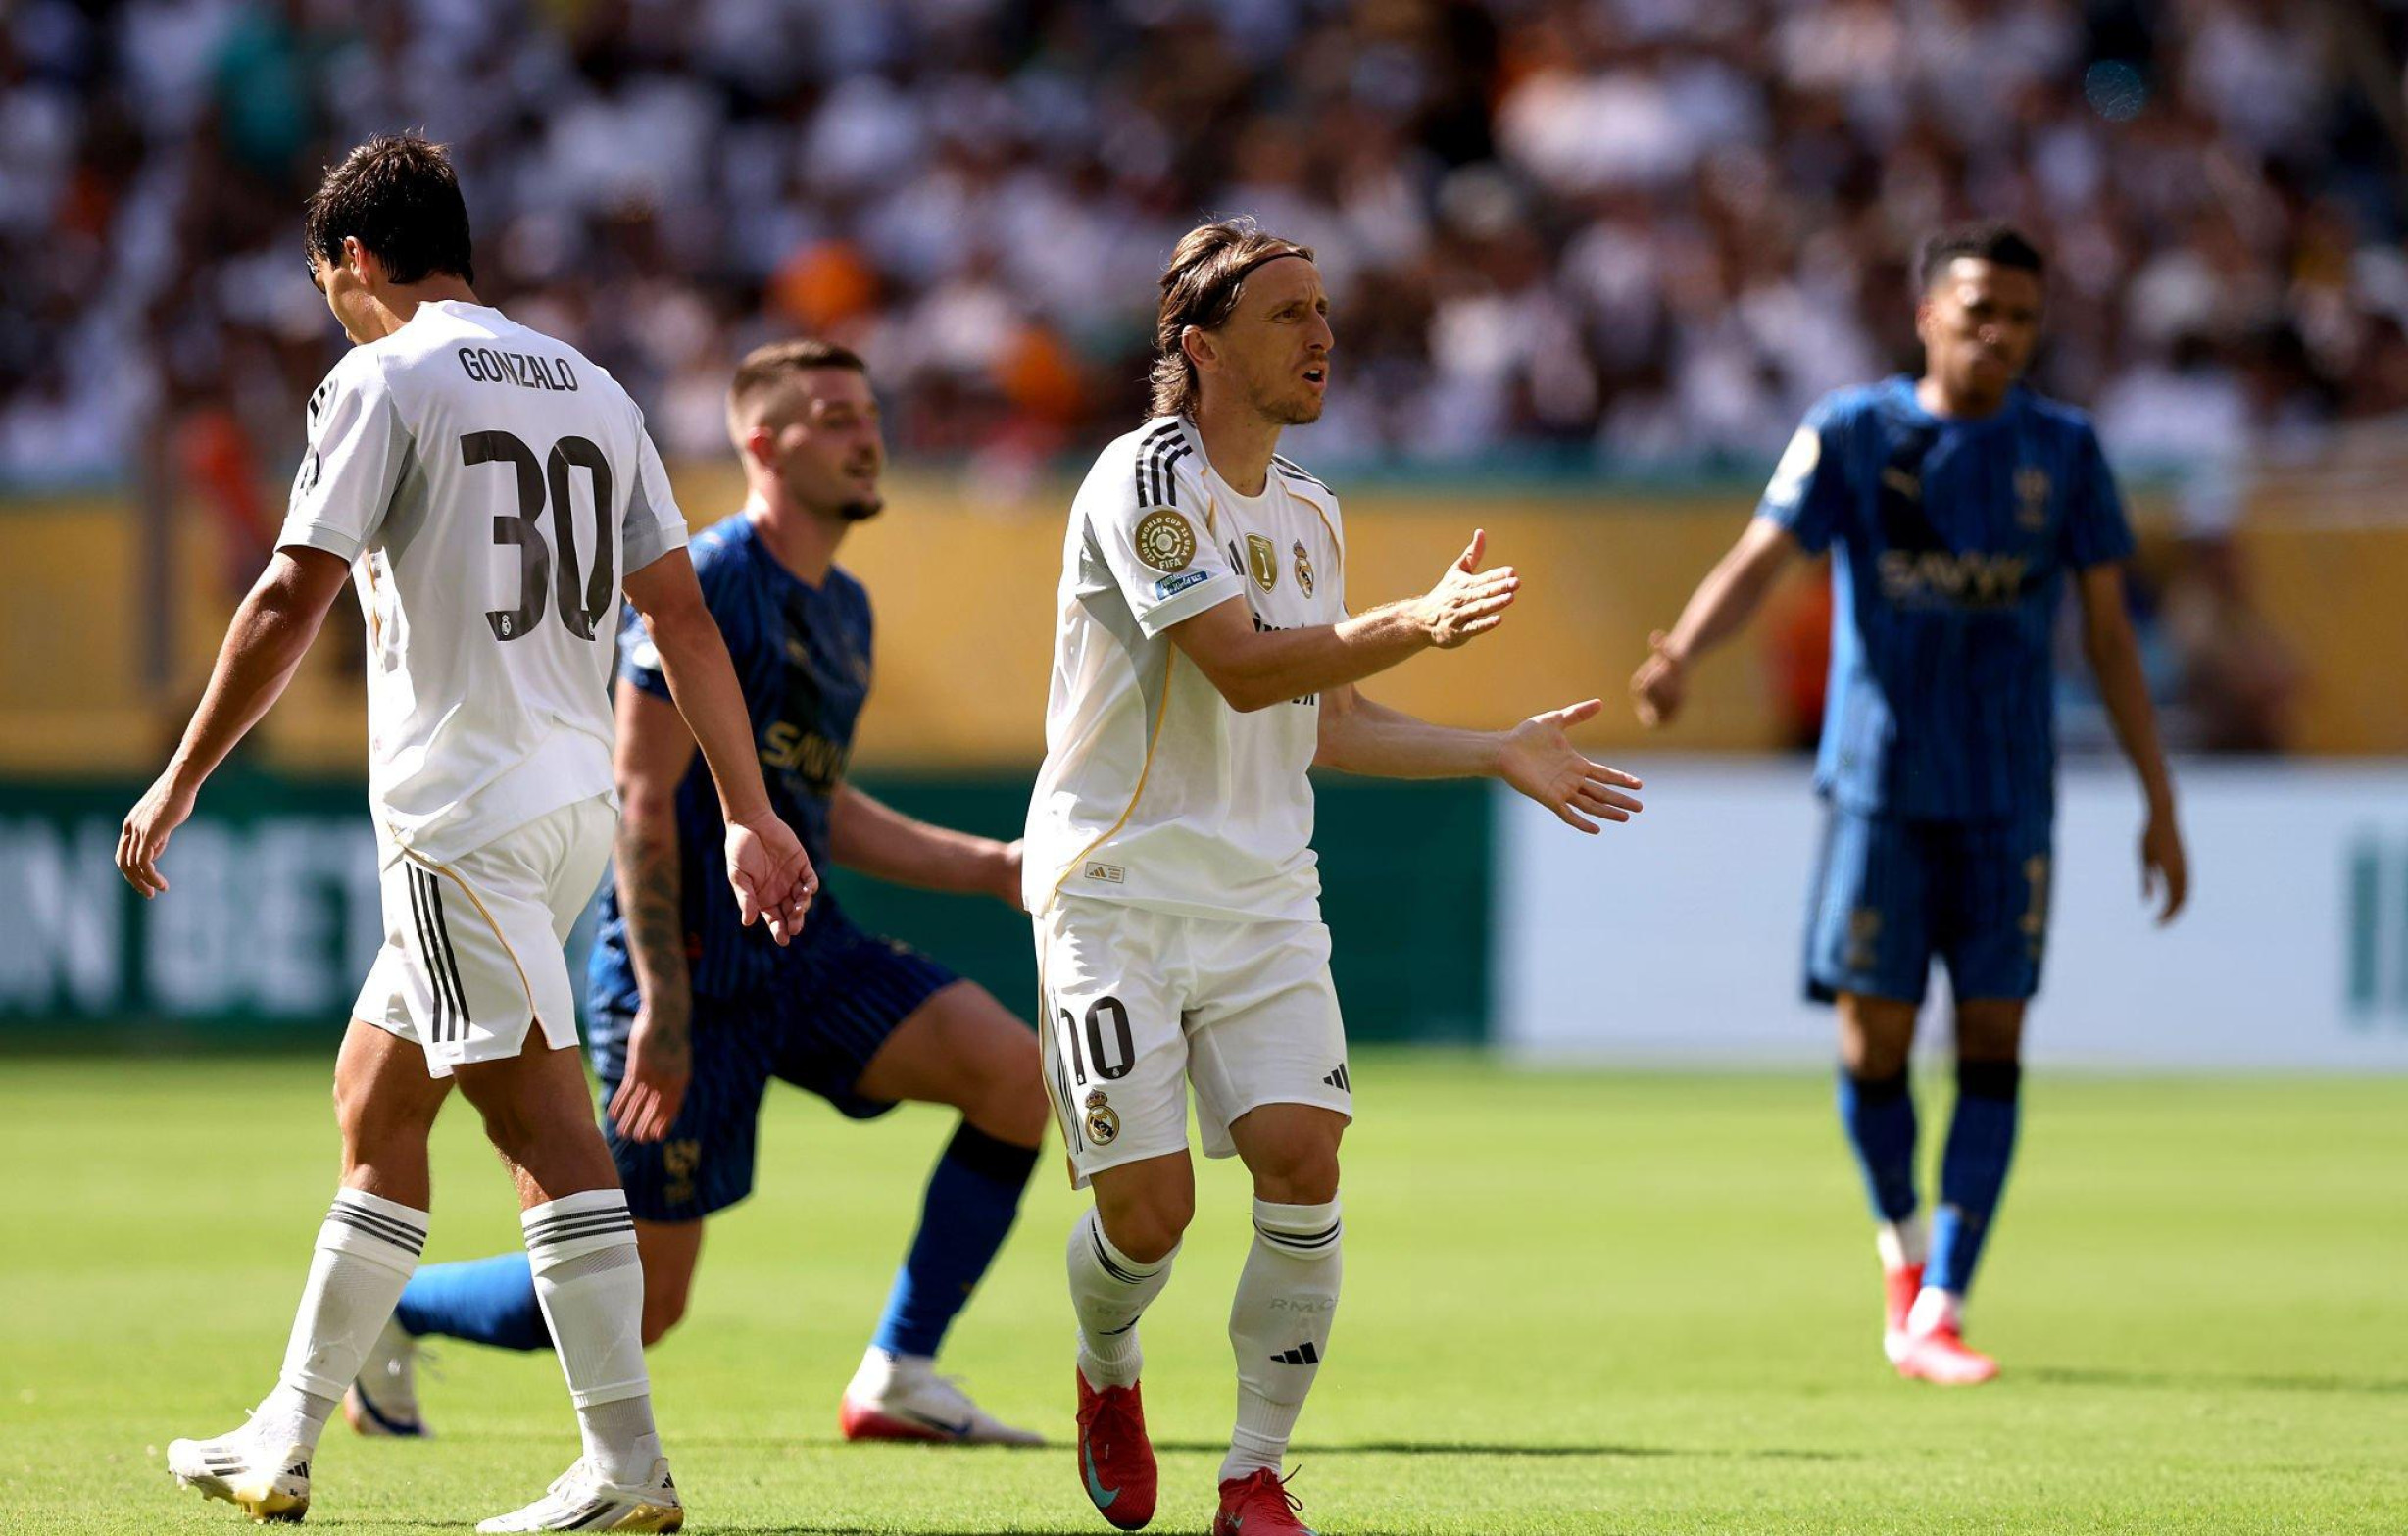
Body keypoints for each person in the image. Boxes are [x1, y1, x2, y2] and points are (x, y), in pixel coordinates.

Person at [117, 134, 817, 1532]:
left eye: (330, 285)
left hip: (460, 813)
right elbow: (679, 614)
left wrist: (181, 772)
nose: (335, 307)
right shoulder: (596, 388)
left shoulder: (384, 376)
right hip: (561, 806)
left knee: (543, 1127)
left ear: (357, 262)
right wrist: (746, 806)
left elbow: (286, 592)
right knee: (376, 1100)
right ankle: (285, 1431)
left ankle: (625, 1465)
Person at [1029, 219, 1645, 1536]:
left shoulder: (1310, 507)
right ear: (1198, 348)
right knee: (1149, 1215)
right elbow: (1243, 662)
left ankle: (1252, 1472)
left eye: (1324, 310)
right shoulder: (1141, 480)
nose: (1323, 335)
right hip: (1114, 893)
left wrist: (1497, 748)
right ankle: (1107, 1365)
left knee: (1304, 1164)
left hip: (1261, 899)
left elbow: (1334, 721)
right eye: (1287, 313)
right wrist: (1414, 622)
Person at [361, 340, 1049, 1446]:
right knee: (648, 1298)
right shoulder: (715, 576)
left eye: (869, 414)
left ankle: (898, 1373)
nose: (866, 435)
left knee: (1018, 1078)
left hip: (804, 951)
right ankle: (394, 1307)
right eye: (833, 416)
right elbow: (642, 795)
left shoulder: (848, 608)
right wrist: (665, 1010)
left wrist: (989, 866)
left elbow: (813, 806)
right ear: (761, 443)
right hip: (682, 969)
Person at [1629, 222, 2189, 1385]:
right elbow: (1761, 555)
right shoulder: (1851, 432)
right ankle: (1901, 1253)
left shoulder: (2066, 451)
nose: (2000, 335)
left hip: (2006, 799)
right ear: (1927, 311)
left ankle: (1944, 1296)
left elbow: (2108, 633)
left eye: (2023, 319)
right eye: (1980, 309)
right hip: (1880, 790)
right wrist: (1682, 650)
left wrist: (2157, 795)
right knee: (1872, 1037)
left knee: (1993, 1034)